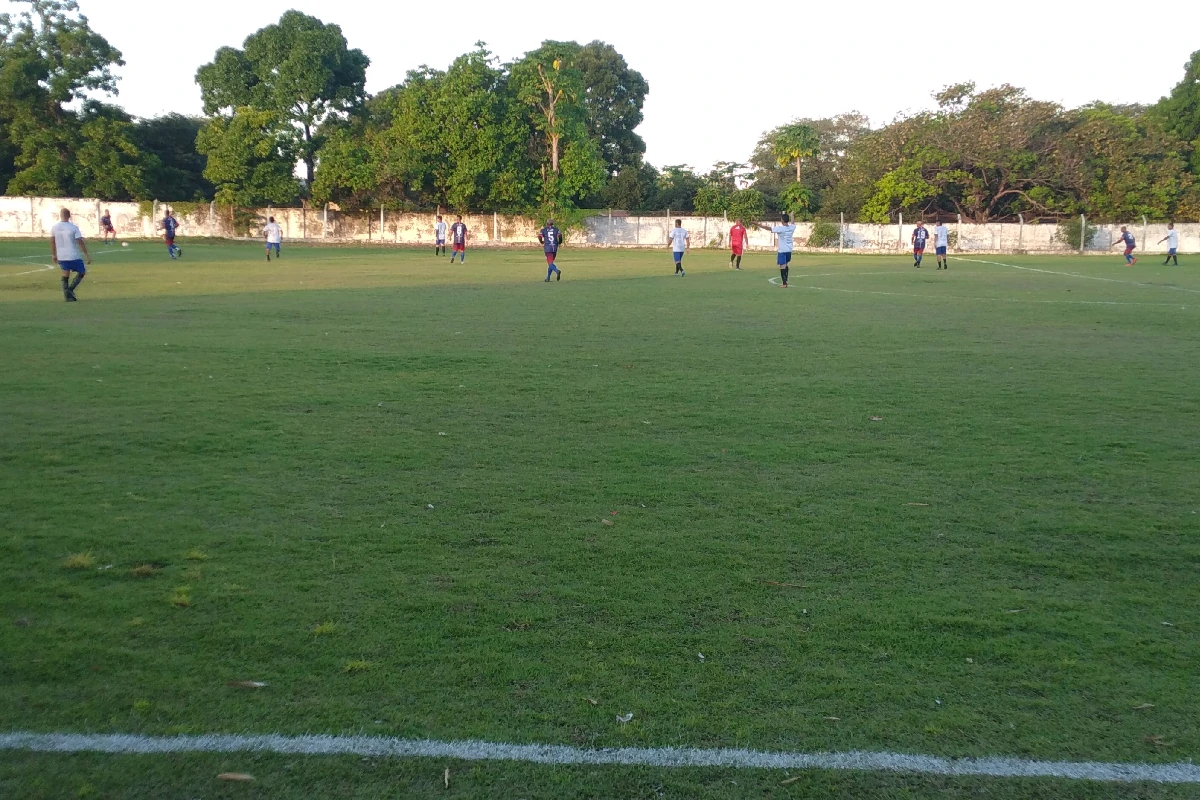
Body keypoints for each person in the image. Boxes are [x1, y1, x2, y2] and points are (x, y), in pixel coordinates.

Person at [50, 208, 92, 302]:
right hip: (73, 255)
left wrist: (53, 254)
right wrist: (87, 255)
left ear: (60, 215)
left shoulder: (55, 227)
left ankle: (67, 295)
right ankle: (70, 290)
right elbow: (79, 241)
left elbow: (52, 241)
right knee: (82, 272)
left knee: (65, 274)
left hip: (61, 255)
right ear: (69, 216)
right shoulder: (73, 227)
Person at [754, 214, 796, 287]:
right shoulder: (791, 228)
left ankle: (784, 283)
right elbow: (792, 223)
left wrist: (758, 224)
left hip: (782, 250)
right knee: (785, 264)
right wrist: (793, 216)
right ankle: (786, 280)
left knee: (782, 266)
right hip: (789, 249)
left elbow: (768, 228)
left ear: (782, 220)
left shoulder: (780, 228)